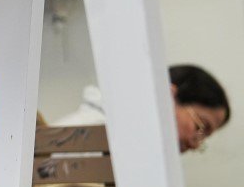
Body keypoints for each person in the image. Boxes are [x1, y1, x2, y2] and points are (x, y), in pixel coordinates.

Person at [55, 63, 230, 152]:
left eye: (203, 138)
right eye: (201, 127)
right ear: (168, 97)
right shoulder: (86, 136)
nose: (194, 144)